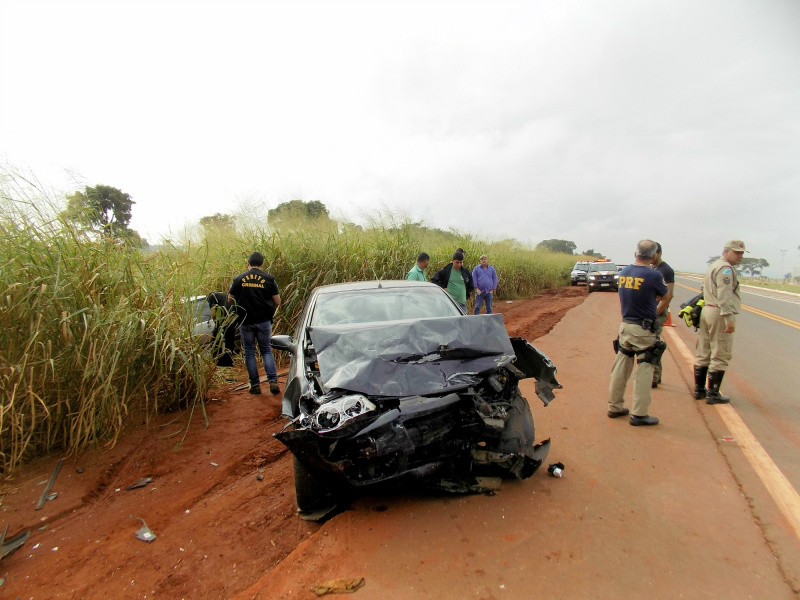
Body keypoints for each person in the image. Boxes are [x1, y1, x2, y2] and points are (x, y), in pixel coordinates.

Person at [607, 240, 668, 426]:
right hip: (643, 329)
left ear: (636, 253)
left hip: (625, 326)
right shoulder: (653, 275)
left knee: (621, 367)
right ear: (653, 255)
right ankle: (640, 414)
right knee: (645, 368)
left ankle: (614, 406)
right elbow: (665, 296)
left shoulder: (624, 272)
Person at [693, 240, 746, 404]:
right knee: (721, 352)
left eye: (742, 253)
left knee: (704, 351)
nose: (740, 256)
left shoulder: (715, 265)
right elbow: (724, 295)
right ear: (726, 251)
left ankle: (699, 389)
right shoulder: (726, 269)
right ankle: (713, 393)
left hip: (708, 310)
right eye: (736, 252)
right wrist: (728, 317)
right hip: (719, 312)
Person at [229, 252, 281, 395]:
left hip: (245, 322)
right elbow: (277, 301)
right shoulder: (269, 279)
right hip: (264, 321)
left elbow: (230, 299)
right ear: (262, 263)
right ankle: (273, 381)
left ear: (248, 262)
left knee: (249, 352)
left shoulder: (238, 279)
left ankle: (255, 385)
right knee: (266, 350)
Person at [651, 243, 674, 388]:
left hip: (657, 311)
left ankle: (654, 376)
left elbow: (669, 295)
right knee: (652, 342)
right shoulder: (652, 268)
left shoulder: (666, 270)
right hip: (652, 309)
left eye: (653, 254)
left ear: (659, 253)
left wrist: (656, 313)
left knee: (653, 344)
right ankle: (656, 375)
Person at [207, 291, 238, 367]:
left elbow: (214, 314)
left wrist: (216, 324)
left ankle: (218, 362)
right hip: (233, 318)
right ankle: (229, 362)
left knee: (215, 340)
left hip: (224, 320)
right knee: (229, 341)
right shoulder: (224, 295)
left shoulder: (212, 296)